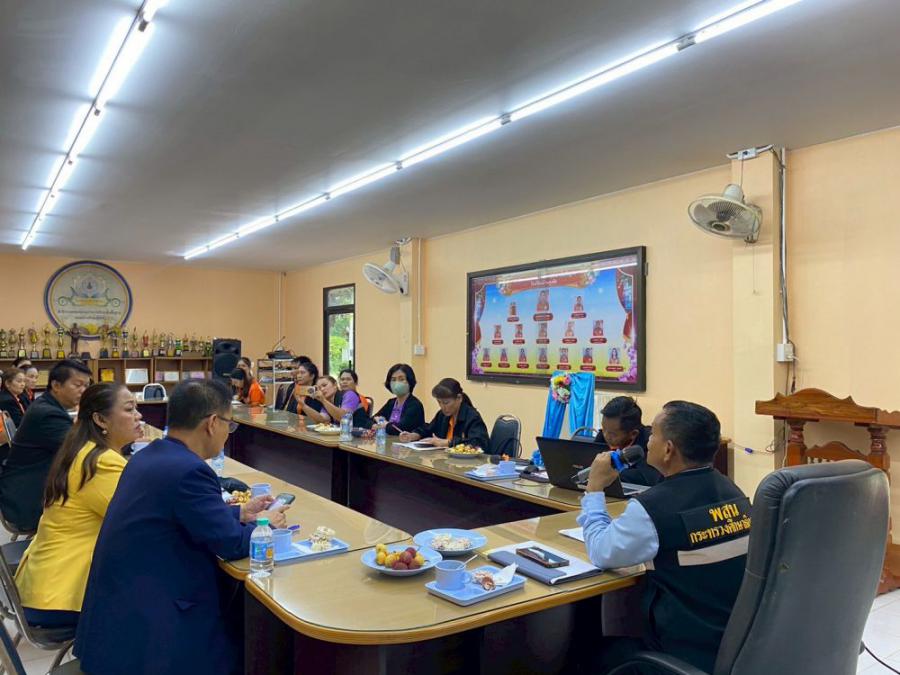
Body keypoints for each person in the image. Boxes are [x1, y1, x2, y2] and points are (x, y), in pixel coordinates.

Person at [74, 379, 288, 675]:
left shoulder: (149, 455)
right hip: (152, 636)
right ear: (212, 423)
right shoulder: (189, 470)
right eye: (229, 424)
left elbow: (184, 515)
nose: (228, 433)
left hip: (117, 620)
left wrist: (240, 513)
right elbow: (232, 544)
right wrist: (267, 524)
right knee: (255, 644)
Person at [578, 401, 751, 674]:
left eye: (654, 434)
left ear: (668, 449)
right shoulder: (734, 492)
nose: (648, 440)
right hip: (734, 646)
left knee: (584, 653)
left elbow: (601, 552)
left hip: (681, 652)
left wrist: (594, 490)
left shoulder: (653, 508)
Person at [14, 384, 143, 630]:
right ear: (100, 419)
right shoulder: (101, 462)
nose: (138, 416)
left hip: (44, 585)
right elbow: (140, 523)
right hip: (60, 597)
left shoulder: (86, 450)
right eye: (129, 409)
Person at [0, 359, 91, 532]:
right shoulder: (48, 414)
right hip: (29, 501)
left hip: (31, 489)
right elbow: (82, 451)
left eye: (86, 385)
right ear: (56, 385)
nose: (83, 391)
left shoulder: (47, 405)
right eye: (78, 385)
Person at [400, 378, 491, 452]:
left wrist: (447, 443)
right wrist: (413, 435)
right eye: (439, 402)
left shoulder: (472, 417)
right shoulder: (443, 415)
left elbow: (479, 442)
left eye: (446, 403)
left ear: (459, 398)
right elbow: (428, 429)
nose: (442, 407)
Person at [594, 396, 662, 487]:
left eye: (613, 434)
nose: (606, 435)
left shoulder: (650, 442)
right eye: (603, 428)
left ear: (633, 434)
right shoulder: (603, 435)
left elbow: (645, 478)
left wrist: (608, 472)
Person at [371, 364, 425, 435]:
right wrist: (378, 423)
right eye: (393, 380)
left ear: (409, 382)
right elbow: (373, 419)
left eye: (401, 379)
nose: (397, 383)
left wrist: (385, 425)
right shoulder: (391, 402)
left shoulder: (415, 405)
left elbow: (400, 428)